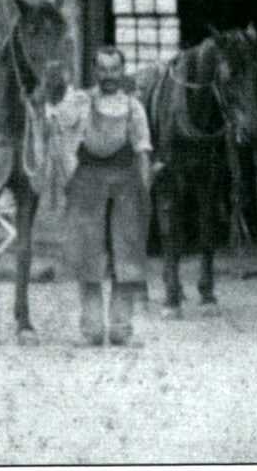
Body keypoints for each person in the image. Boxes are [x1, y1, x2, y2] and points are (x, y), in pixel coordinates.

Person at [58, 45, 155, 347]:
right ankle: (92, 326)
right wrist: (68, 178)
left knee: (126, 256)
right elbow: (61, 131)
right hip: (88, 183)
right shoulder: (82, 102)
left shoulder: (133, 107)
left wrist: (145, 187)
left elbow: (142, 149)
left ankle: (121, 326)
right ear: (95, 71)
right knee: (89, 256)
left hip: (125, 184)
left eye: (115, 69)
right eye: (103, 69)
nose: (109, 75)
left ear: (122, 71)